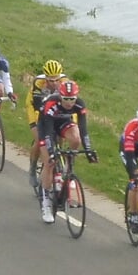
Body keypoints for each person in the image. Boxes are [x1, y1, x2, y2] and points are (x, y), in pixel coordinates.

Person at [36, 78, 94, 224]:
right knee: (49, 162)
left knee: (76, 138)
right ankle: (46, 202)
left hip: (64, 123)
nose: (69, 102)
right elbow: (49, 132)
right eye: (66, 99)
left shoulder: (80, 104)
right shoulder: (51, 104)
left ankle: (68, 167)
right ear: (60, 96)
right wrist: (50, 151)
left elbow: (83, 129)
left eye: (72, 99)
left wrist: (88, 149)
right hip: (46, 126)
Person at [26, 59, 64, 167]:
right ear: (46, 78)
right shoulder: (39, 83)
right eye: (51, 81)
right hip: (35, 108)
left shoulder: (64, 83)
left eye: (57, 79)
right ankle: (33, 166)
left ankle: (59, 157)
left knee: (61, 135)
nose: (54, 83)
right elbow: (39, 109)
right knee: (39, 139)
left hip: (53, 109)